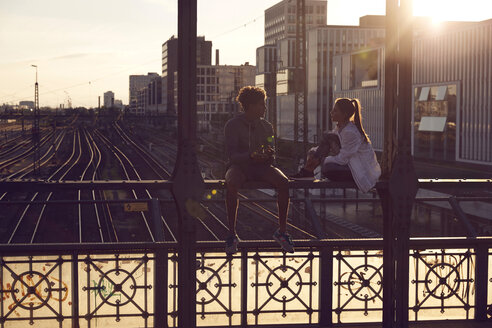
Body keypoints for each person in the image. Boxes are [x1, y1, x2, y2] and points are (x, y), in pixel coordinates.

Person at [224, 86, 294, 254]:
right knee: (231, 183)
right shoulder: (232, 126)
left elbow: (272, 150)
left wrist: (268, 156)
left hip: (262, 166)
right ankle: (231, 234)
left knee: (284, 182)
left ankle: (282, 232)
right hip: (239, 168)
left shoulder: (267, 127)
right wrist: (251, 156)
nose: (265, 108)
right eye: (261, 105)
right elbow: (232, 156)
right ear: (250, 106)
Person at [291, 98, 381, 193]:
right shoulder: (340, 128)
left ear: (345, 114)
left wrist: (322, 160)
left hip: (360, 171)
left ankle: (307, 171)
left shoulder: (350, 132)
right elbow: (328, 148)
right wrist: (313, 152)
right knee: (328, 137)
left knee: (328, 168)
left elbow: (343, 159)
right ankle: (308, 171)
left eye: (335, 111)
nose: (331, 112)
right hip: (349, 165)